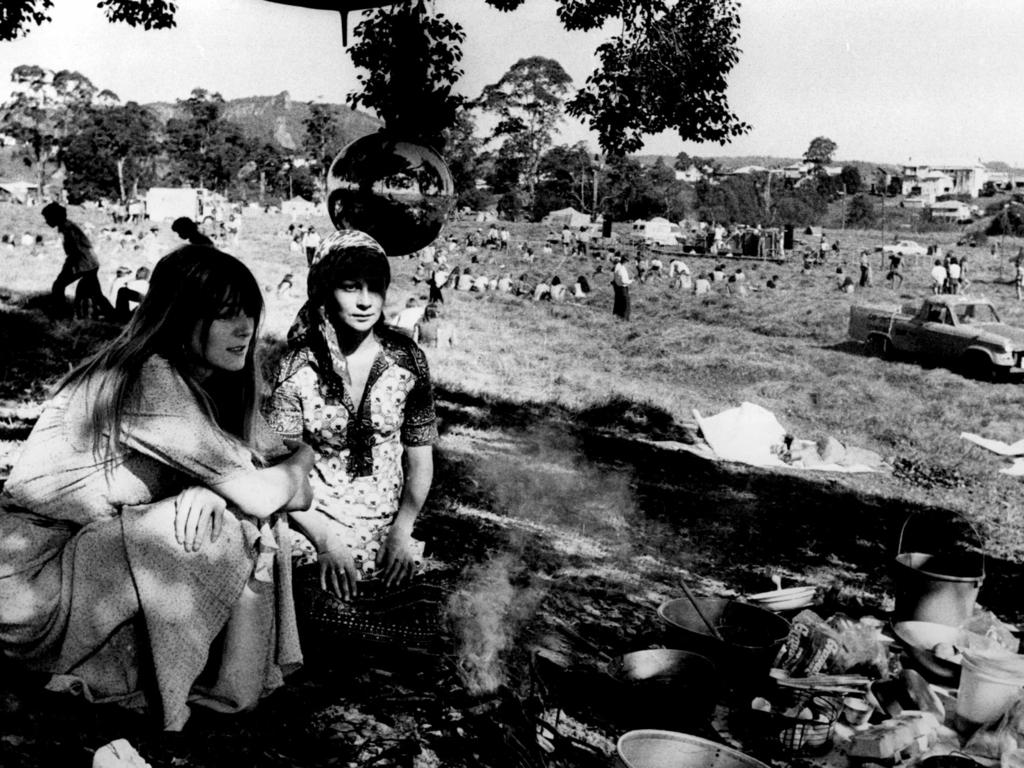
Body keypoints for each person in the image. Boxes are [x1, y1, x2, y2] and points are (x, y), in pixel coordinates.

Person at [0, 245, 315, 730]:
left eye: (249, 312)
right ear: (179, 316)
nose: (245, 328)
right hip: (27, 583)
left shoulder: (200, 381)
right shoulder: (148, 380)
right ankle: (233, 694)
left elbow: (291, 476)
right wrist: (241, 486)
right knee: (233, 521)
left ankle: (229, 687)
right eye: (224, 316)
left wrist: (229, 484)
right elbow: (265, 492)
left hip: (71, 562)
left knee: (225, 509)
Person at [265, 230, 437, 600]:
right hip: (312, 524)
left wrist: (402, 531)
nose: (365, 302)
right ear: (325, 291)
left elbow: (420, 461)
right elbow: (277, 470)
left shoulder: (407, 359)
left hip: (388, 526)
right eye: (349, 287)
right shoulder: (297, 367)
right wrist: (325, 541)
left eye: (374, 288)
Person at [42, 202, 113, 320]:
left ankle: (61, 316)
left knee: (58, 286)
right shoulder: (66, 226)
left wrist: (71, 268)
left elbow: (75, 250)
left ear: (55, 217)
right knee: (96, 293)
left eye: (47, 218)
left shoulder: (67, 228)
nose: (46, 221)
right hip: (90, 262)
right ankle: (113, 315)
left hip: (84, 263)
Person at [612, 254, 632, 320]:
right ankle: (624, 318)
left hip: (618, 286)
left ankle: (619, 316)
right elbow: (623, 281)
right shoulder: (620, 268)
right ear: (625, 261)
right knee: (625, 303)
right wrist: (631, 281)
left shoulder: (619, 266)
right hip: (622, 287)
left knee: (619, 302)